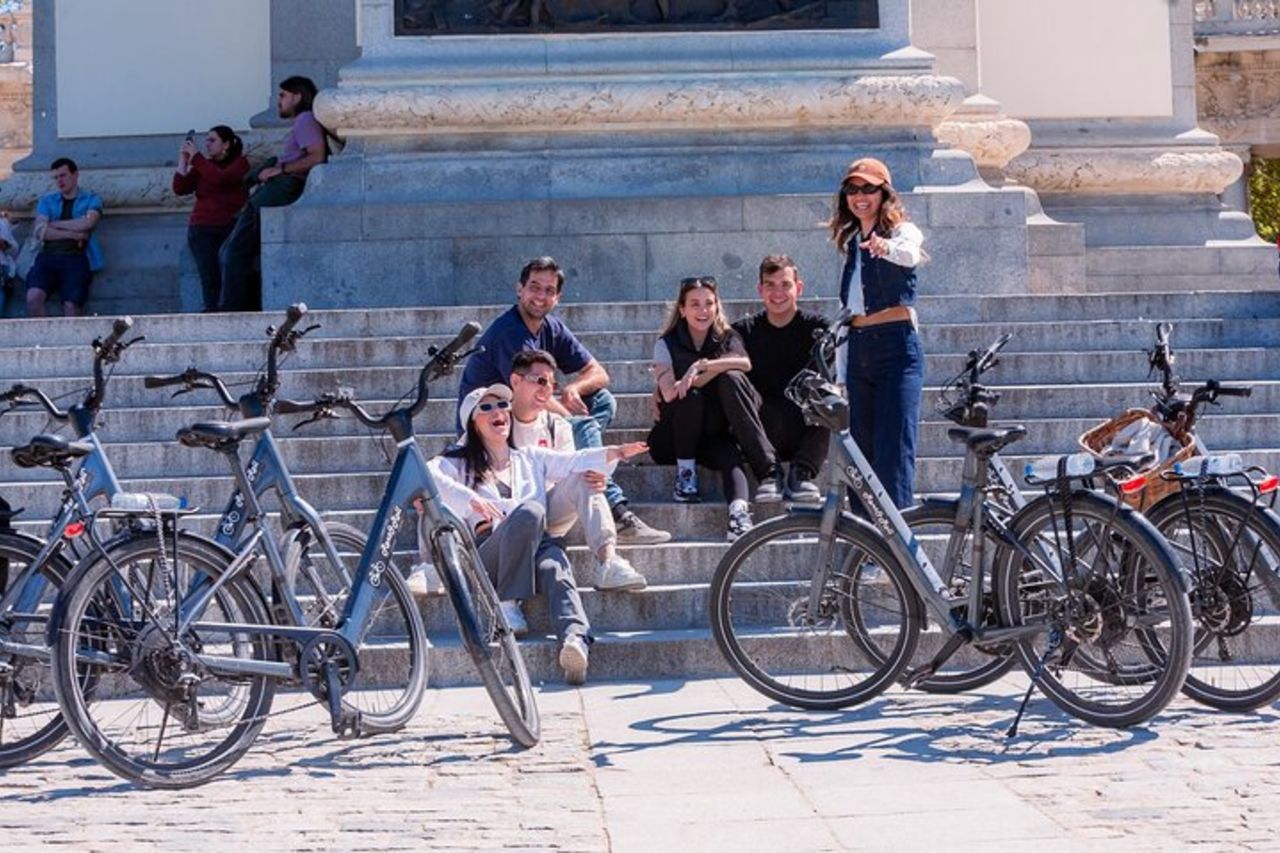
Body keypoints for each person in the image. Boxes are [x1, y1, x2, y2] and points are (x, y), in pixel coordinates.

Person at [427, 383, 649, 685]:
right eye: (487, 408)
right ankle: (506, 603)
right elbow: (428, 475)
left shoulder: (530, 457)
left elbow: (573, 461)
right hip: (490, 552)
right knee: (531, 511)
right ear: (472, 422)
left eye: (503, 405)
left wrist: (615, 452)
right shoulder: (458, 463)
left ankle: (576, 640)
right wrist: (470, 499)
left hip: (537, 545)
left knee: (556, 564)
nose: (499, 412)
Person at [459, 256, 671, 546]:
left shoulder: (551, 328)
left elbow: (598, 372)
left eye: (549, 290)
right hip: (492, 422)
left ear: (557, 297)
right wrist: (572, 421)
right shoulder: (509, 331)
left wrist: (573, 389)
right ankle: (616, 508)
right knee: (582, 427)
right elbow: (527, 393)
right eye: (534, 287)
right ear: (519, 289)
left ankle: (578, 452)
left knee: (603, 401)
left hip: (526, 417)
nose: (541, 296)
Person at [647, 275, 783, 542]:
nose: (703, 310)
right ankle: (685, 477)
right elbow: (672, 393)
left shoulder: (727, 337)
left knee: (730, 457)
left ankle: (738, 515)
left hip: (711, 432)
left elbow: (744, 363)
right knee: (691, 396)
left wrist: (702, 367)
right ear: (682, 310)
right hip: (674, 435)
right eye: (695, 304)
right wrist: (693, 379)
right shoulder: (666, 343)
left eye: (709, 303)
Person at [828, 157, 926, 509]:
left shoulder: (902, 232)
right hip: (859, 351)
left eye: (868, 188)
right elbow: (850, 312)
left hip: (896, 348)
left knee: (894, 451)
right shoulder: (853, 242)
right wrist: (841, 374)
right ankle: (864, 545)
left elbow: (910, 254)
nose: (860, 197)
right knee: (860, 454)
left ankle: (896, 549)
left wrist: (886, 247)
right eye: (853, 190)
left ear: (884, 193)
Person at [508, 349, 647, 593]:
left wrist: (598, 474)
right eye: (540, 381)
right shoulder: (495, 418)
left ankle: (608, 562)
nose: (546, 390)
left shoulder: (557, 425)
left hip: (550, 511)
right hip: (506, 515)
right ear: (516, 381)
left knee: (587, 478)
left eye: (552, 384)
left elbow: (569, 467)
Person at [219, 75, 329, 312]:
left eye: (282, 95)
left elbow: (316, 156)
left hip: (278, 191)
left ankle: (231, 308)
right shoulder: (304, 121)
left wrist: (280, 169)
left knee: (233, 250)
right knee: (234, 250)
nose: (278, 101)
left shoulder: (305, 119)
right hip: (275, 191)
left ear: (297, 96)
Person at [731, 255, 829, 503]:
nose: (778, 293)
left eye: (785, 284)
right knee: (730, 377)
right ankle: (768, 472)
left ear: (799, 287)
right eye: (770, 285)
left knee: (831, 381)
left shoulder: (818, 328)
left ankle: (803, 471)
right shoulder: (742, 330)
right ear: (760, 290)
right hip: (761, 427)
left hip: (806, 424)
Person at [173, 125, 250, 312]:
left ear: (226, 145)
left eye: (212, 140)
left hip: (230, 225)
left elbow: (221, 179)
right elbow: (180, 188)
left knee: (232, 269)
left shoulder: (240, 163)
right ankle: (212, 309)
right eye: (206, 140)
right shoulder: (203, 165)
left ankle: (232, 307)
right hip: (202, 228)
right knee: (209, 272)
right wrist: (183, 160)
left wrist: (197, 158)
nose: (207, 144)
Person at [25, 158, 104, 318]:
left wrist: (53, 224)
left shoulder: (91, 199)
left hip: (75, 257)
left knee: (71, 306)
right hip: (47, 257)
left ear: (75, 175)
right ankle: (46, 340)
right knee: (33, 298)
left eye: (63, 175)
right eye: (56, 177)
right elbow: (40, 231)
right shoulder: (47, 201)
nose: (59, 181)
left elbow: (88, 223)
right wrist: (73, 234)